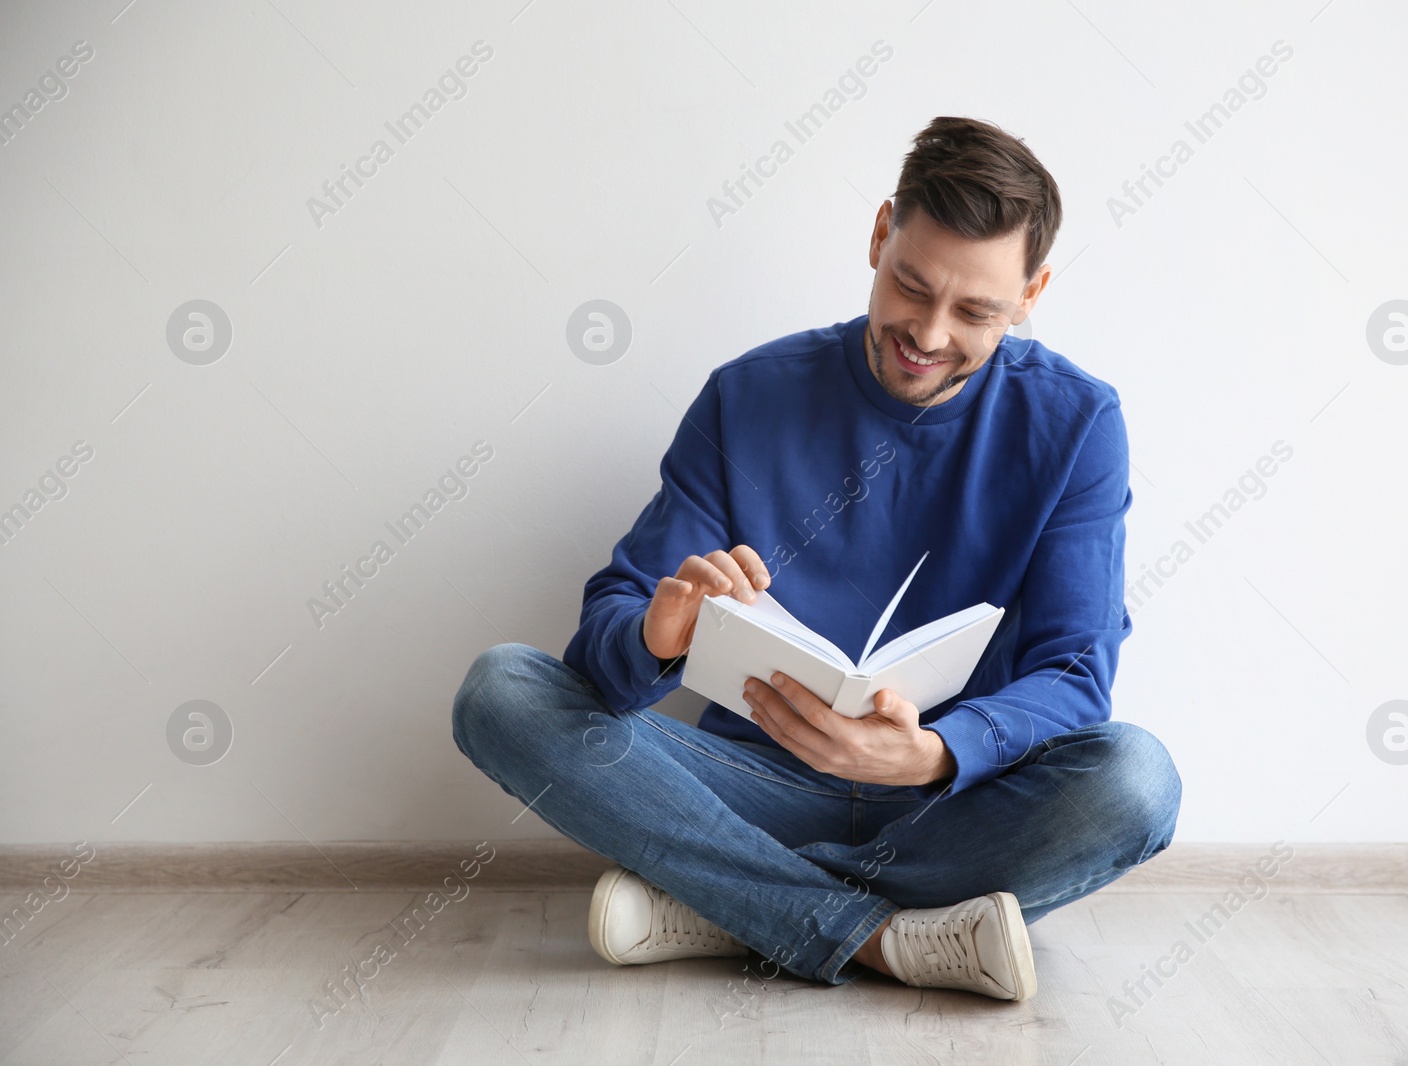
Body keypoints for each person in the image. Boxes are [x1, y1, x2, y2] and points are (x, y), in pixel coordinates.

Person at [453, 115, 1181, 1004]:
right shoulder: (747, 395)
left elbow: (1074, 673)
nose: (929, 333)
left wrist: (933, 755)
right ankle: (878, 936)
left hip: (948, 807)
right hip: (746, 787)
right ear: (880, 236)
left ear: (1031, 294)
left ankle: (728, 902)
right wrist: (658, 630)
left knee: (1139, 780)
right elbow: (599, 649)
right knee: (503, 691)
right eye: (910, 286)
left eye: (977, 311)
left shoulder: (1078, 423)